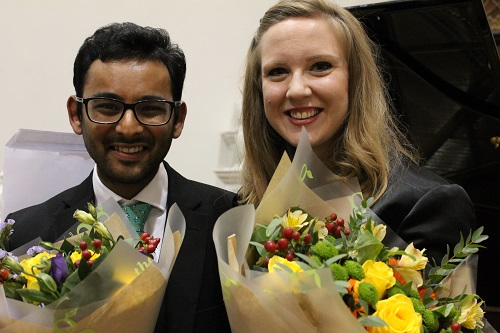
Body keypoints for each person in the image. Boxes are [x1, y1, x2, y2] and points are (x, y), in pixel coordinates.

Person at [5, 22, 233, 332]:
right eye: (107, 107)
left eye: (151, 108)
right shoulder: (25, 235)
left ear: (177, 119)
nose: (128, 128)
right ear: (76, 114)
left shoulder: (230, 221)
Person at [237, 0, 476, 263]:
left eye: (320, 66)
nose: (296, 90)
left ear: (355, 80)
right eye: (277, 71)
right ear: (258, 90)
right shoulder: (244, 205)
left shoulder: (428, 205)